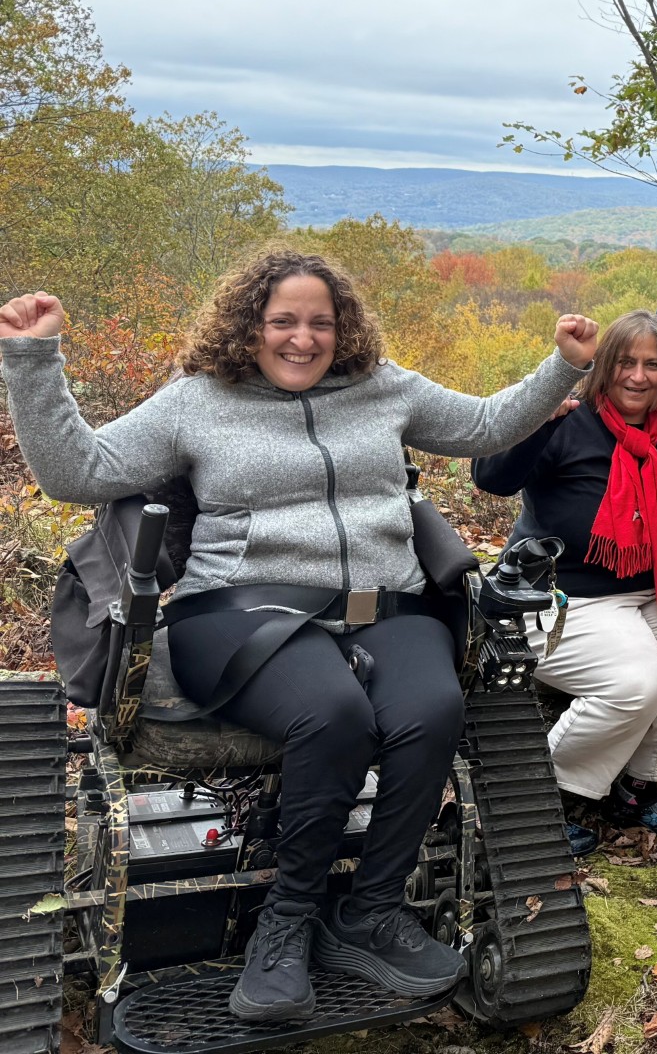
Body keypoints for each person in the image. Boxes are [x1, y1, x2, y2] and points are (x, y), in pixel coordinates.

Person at [0, 251, 597, 1024]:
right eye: (283, 320)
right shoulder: (199, 401)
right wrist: (33, 360)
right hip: (239, 611)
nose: (303, 338)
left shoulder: (384, 388)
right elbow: (78, 470)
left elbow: (483, 425)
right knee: (334, 713)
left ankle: (371, 912)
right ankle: (286, 923)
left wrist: (564, 365)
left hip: (386, 606)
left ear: (343, 328)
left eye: (321, 322)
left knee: (433, 711)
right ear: (249, 326)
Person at [473, 311, 657, 858]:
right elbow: (491, 478)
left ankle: (638, 792)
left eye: (652, 365)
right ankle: (533, 799)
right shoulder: (566, 421)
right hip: (562, 598)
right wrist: (538, 421)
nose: (638, 376)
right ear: (603, 367)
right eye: (625, 362)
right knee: (636, 683)